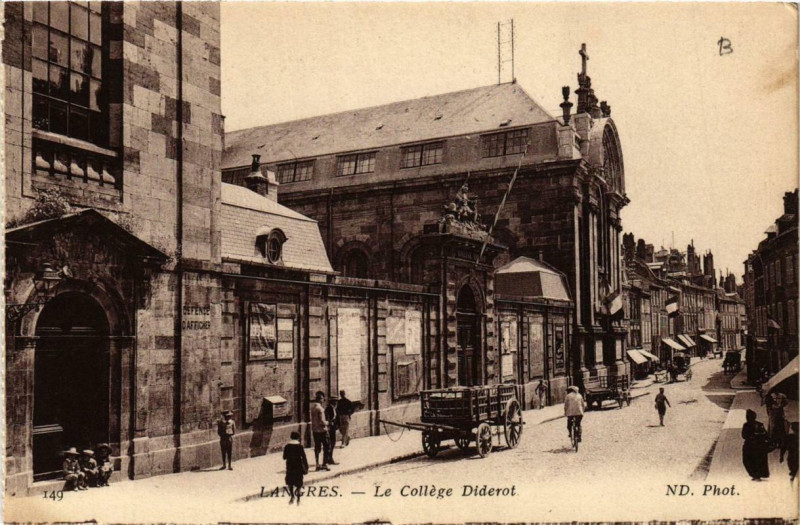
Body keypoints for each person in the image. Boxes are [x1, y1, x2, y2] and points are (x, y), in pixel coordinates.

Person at [742, 408, 770, 481]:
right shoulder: (760, 424)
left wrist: (753, 436)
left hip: (750, 446)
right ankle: (757, 475)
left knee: (748, 460)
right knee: (758, 460)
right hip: (759, 445)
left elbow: (743, 435)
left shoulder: (746, 425)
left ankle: (755, 475)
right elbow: (766, 435)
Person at [283, 431, 309, 505]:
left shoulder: (287, 446)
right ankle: (298, 500)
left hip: (290, 467)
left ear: (291, 437)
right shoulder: (300, 446)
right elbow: (304, 457)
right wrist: (306, 467)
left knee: (290, 482)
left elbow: (284, 457)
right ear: (298, 438)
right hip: (298, 467)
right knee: (299, 484)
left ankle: (292, 497)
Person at [311, 391, 331, 471]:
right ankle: (325, 464)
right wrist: (327, 423)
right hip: (322, 431)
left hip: (315, 431)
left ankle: (317, 464)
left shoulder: (313, 408)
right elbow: (322, 421)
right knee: (327, 447)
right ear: (320, 399)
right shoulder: (321, 409)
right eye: (322, 399)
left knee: (317, 448)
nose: (323, 400)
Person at [325, 397, 340, 465]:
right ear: (332, 402)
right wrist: (330, 423)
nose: (336, 403)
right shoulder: (328, 409)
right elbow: (327, 417)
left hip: (333, 428)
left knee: (333, 443)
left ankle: (330, 457)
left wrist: (337, 426)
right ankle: (328, 458)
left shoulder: (335, 409)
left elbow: (337, 417)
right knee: (329, 444)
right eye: (335, 402)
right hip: (329, 428)